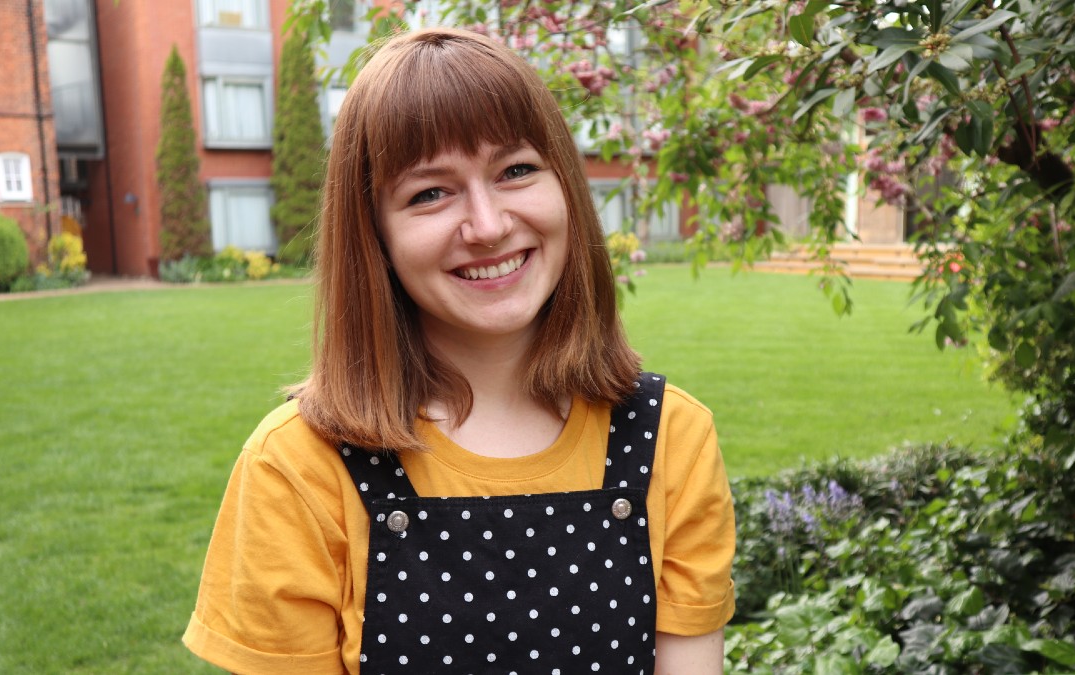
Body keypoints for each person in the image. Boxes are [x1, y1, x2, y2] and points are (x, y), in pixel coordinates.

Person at [182, 26, 735, 675]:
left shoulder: (670, 437)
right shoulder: (297, 470)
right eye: (430, 193)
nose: (490, 224)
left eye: (517, 169)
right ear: (374, 236)